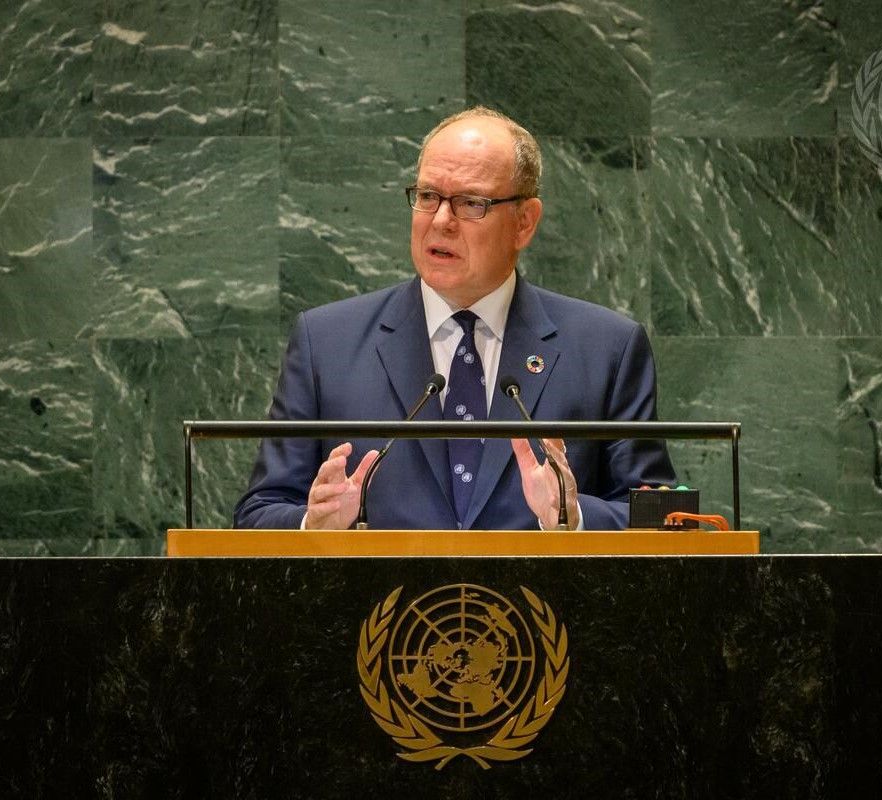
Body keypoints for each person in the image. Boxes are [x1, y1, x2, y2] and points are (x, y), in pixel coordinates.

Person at [234, 107, 675, 531]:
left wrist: (574, 518)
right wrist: (315, 523)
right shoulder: (325, 344)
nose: (440, 221)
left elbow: (662, 520)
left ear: (525, 222)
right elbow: (259, 513)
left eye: (470, 203)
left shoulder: (607, 350)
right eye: (427, 196)